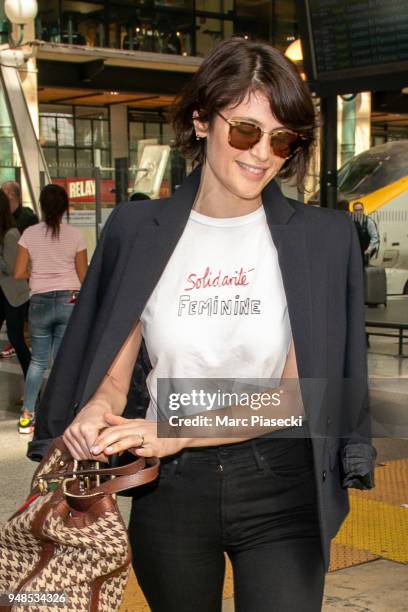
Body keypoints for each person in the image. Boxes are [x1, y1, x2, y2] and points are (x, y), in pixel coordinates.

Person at [29, 39, 376, 612]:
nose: (263, 154)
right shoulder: (139, 230)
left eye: (281, 140)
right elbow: (116, 378)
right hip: (169, 489)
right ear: (200, 119)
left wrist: (177, 425)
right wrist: (96, 412)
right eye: (245, 131)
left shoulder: (323, 239)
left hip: (282, 483)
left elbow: (293, 399)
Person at [14, 184, 88, 434]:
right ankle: (59, 416)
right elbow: (83, 275)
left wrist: (35, 275)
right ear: (65, 207)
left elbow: (17, 272)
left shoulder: (29, 235)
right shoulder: (75, 235)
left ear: (42, 206)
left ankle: (27, 416)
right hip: (69, 299)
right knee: (61, 362)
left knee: (38, 361)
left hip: (40, 301)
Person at [0, 181, 38, 359]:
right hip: (7, 289)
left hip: (17, 288)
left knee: (18, 337)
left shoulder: (18, 227)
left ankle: (32, 378)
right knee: (17, 336)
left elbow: (11, 266)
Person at [352, 201, 380, 265]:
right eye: (356, 210)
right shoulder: (351, 222)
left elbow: (375, 237)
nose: (358, 212)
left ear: (363, 210)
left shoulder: (369, 222)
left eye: (360, 210)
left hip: (366, 250)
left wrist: (369, 249)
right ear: (353, 211)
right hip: (356, 249)